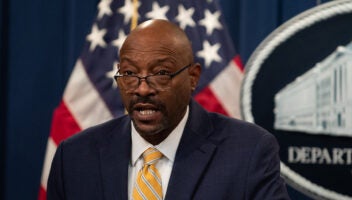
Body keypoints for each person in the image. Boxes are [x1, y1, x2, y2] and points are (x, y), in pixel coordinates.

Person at [47, 19, 290, 200]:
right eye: (129, 73)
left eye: (161, 73)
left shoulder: (248, 152)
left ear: (193, 77)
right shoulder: (75, 157)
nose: (142, 89)